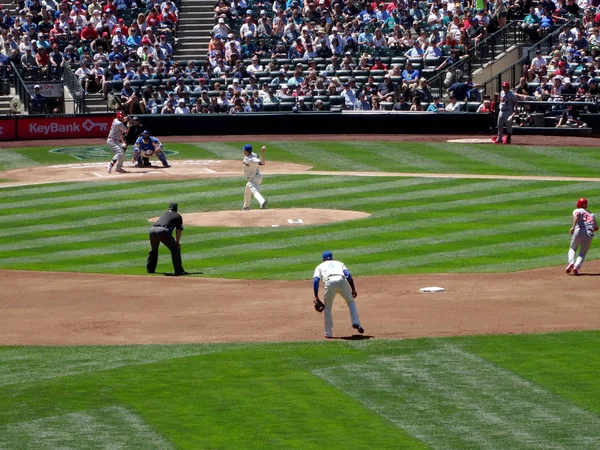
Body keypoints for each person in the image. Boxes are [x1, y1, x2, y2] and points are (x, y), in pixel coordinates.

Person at [312, 250, 364, 339]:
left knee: (328, 307)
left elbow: (316, 280)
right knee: (351, 302)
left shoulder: (319, 266)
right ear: (332, 258)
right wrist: (353, 289)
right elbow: (349, 275)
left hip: (329, 282)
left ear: (323, 259)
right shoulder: (339, 263)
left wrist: (316, 296)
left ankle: (328, 333)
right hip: (342, 280)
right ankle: (356, 323)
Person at [147, 202, 187, 276]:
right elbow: (178, 230)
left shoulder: (164, 214)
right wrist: (177, 242)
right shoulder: (178, 216)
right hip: (163, 231)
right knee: (175, 249)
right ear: (176, 209)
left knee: (153, 249)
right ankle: (179, 270)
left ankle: (150, 269)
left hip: (152, 230)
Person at [566, 197, 598, 276]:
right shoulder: (591, 214)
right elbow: (596, 228)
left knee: (573, 248)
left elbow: (576, 216)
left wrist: (573, 227)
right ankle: (576, 267)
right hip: (589, 234)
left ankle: (571, 262)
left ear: (578, 204)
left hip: (579, 231)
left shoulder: (577, 210)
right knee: (582, 254)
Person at [242, 144, 268, 210]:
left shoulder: (252, 159)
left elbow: (262, 163)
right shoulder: (252, 155)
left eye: (244, 150)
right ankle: (246, 206)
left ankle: (262, 201)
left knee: (254, 191)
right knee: (247, 190)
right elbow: (256, 156)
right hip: (254, 177)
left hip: (254, 178)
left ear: (246, 151)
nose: (243, 151)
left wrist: (262, 152)